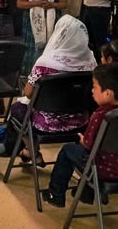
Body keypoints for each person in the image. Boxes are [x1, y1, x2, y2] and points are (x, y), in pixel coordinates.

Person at [41, 63, 118, 208]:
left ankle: (55, 194)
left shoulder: (100, 115)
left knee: (68, 150)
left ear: (107, 93)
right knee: (98, 153)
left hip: (103, 169)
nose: (92, 91)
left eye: (94, 87)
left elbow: (88, 145)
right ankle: (86, 193)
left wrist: (83, 140)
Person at [9, 15, 98, 165]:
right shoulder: (91, 61)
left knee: (17, 109)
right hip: (80, 122)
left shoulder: (45, 62)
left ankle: (32, 151)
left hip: (46, 125)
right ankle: (31, 152)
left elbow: (28, 93)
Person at [17, 0, 67, 74]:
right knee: (32, 48)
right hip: (32, 21)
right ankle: (29, 72)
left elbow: (64, 3)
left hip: (52, 20)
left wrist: (53, 5)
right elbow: (20, 3)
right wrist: (37, 3)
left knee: (50, 46)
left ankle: (47, 72)